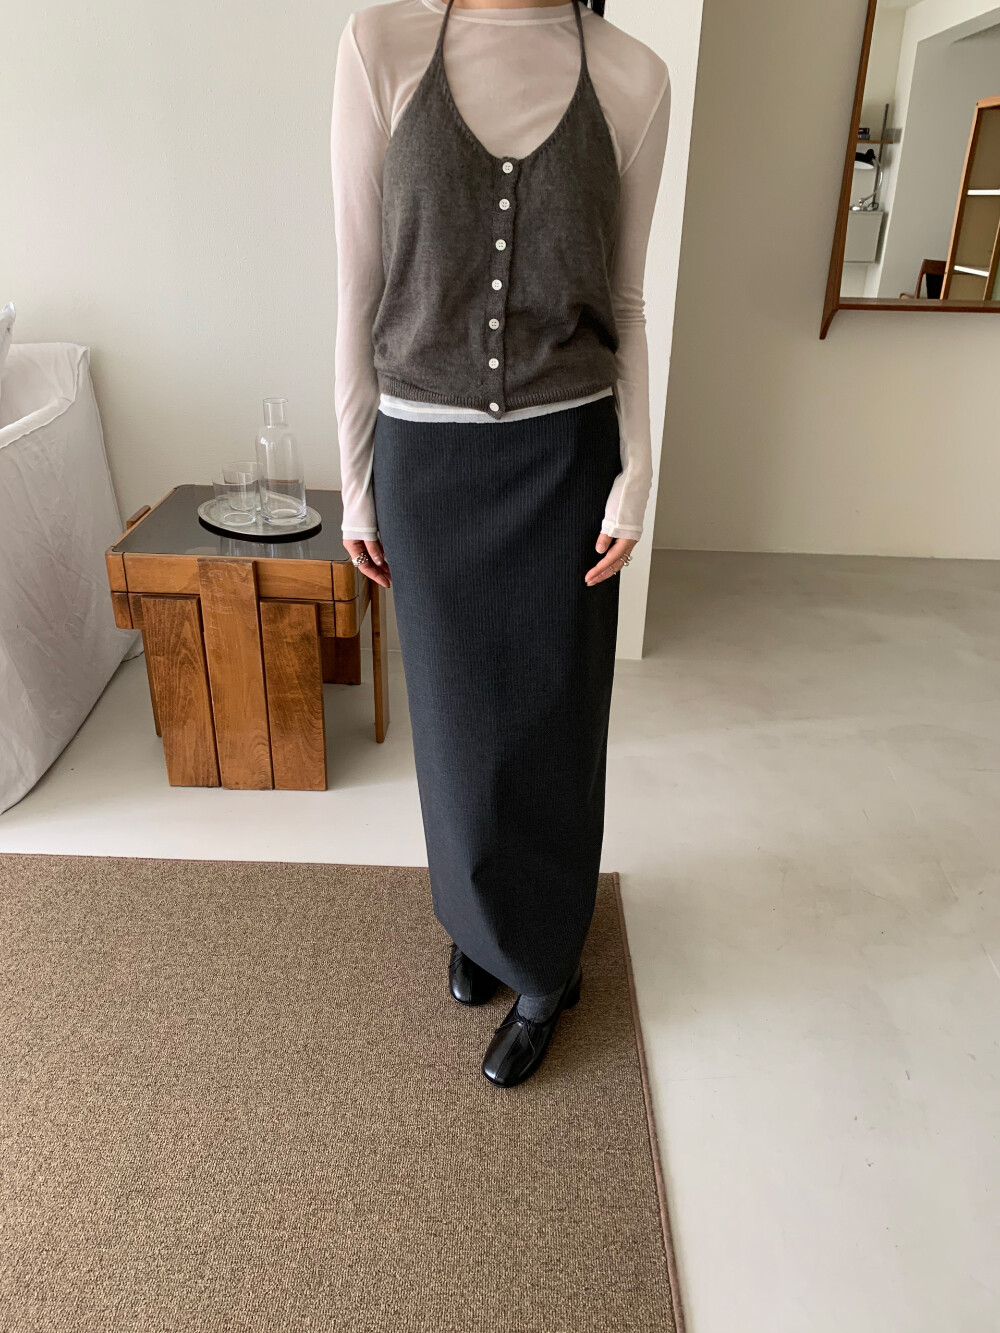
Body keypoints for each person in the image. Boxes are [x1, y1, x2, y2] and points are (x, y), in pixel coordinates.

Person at [330, 0, 669, 1087]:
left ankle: (546, 969)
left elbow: (626, 300)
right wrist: (356, 482)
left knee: (552, 721)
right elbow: (357, 286)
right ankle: (479, 919)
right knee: (454, 721)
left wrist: (637, 473)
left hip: (566, 458)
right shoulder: (381, 46)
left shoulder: (631, 74)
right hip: (425, 463)